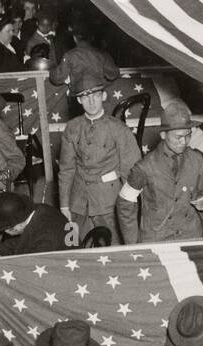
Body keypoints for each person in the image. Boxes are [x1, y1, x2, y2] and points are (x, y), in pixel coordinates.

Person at [58, 70, 141, 245]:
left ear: (103, 96)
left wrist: (130, 208)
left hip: (109, 203)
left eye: (95, 95)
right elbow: (66, 170)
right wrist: (64, 206)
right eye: (85, 97)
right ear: (79, 100)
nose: (91, 101)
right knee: (75, 250)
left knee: (114, 251)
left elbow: (132, 171)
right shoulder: (72, 128)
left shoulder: (119, 129)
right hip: (78, 204)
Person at [116, 102, 203, 244]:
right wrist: (132, 243)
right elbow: (124, 204)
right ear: (163, 135)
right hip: (157, 239)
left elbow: (202, 193)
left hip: (191, 236)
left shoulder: (196, 159)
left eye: (188, 135)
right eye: (178, 137)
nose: (184, 142)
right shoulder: (144, 167)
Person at [0, 191, 70, 256]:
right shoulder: (40, 209)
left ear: (17, 227)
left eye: (5, 230)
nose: (5, 233)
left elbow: (27, 272)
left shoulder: (46, 242)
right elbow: (21, 240)